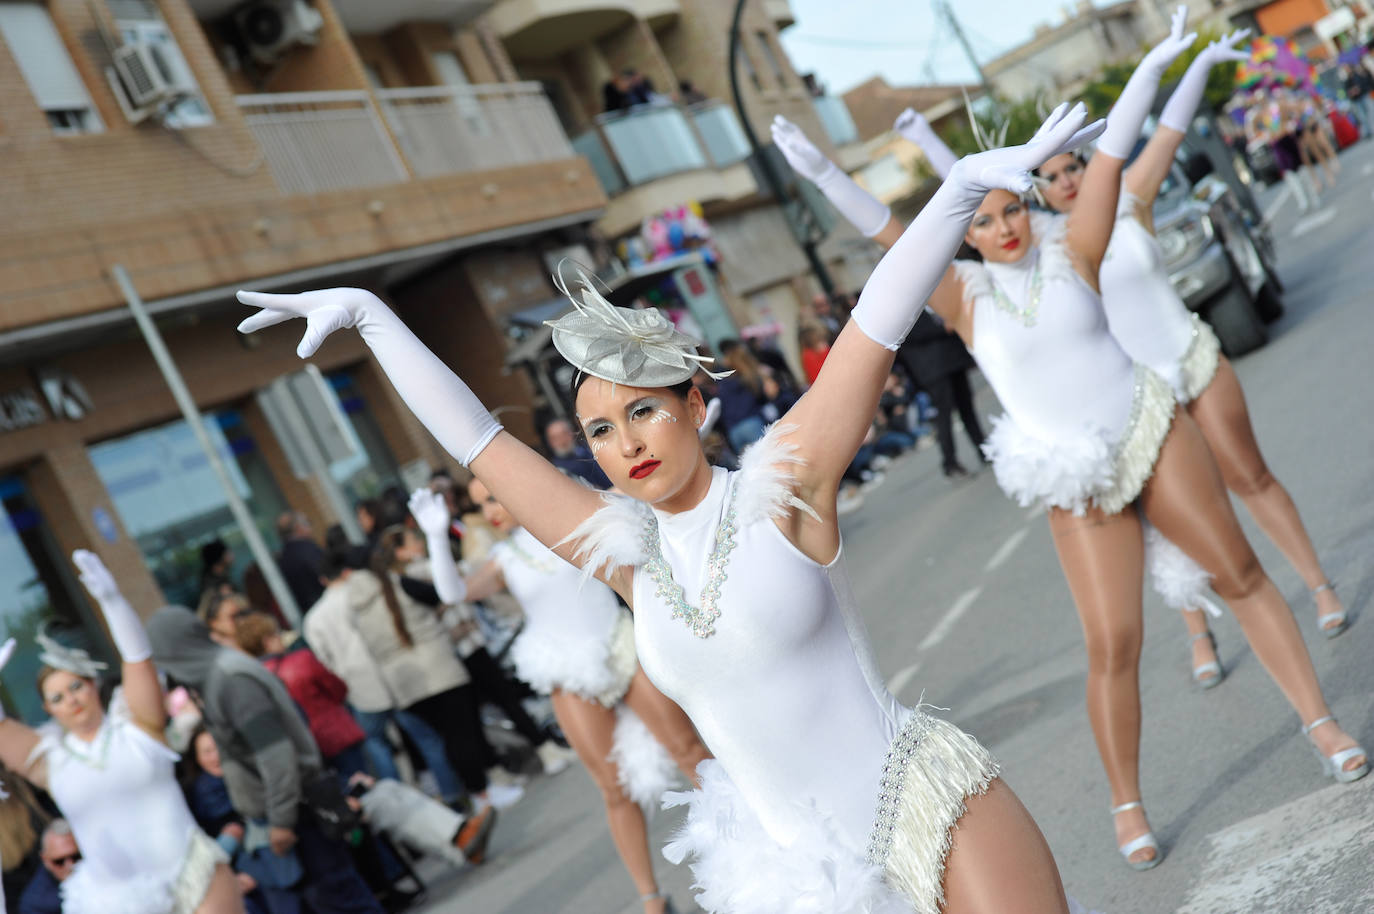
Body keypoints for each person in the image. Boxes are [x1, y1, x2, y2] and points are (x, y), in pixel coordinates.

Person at [236, 99, 1108, 913]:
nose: (628, 444)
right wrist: (372, 318)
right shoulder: (624, 557)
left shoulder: (783, 485)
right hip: (803, 880)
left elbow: (875, 322)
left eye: (644, 409)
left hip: (926, 806)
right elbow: (478, 441)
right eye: (602, 430)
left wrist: (956, 195)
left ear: (695, 403)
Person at [775, 7, 1367, 873]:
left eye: (1016, 210)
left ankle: (1320, 721)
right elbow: (890, 238)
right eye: (986, 218)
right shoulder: (961, 296)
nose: (1007, 226)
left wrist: (1162, 60)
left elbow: (1120, 149)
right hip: (1070, 476)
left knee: (1239, 573)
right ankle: (1126, 797)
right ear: (967, 231)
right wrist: (827, 172)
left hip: (1149, 428)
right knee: (1113, 642)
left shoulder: (1077, 247)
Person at [1025, 33, 1352, 684]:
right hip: (1136, 397)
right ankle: (1199, 632)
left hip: (1190, 360)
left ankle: (1318, 586)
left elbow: (1168, 128)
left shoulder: (1130, 198)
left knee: (1250, 478)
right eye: (1051, 174)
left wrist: (1192, 66)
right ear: (1034, 188)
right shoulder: (1038, 254)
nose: (1067, 181)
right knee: (1170, 526)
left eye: (1074, 166)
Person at [410, 486, 708, 914]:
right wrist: (437, 536)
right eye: (480, 504)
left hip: (620, 645)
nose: (489, 510)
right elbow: (453, 593)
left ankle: (749, 840)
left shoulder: (573, 521)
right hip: (568, 674)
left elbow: (628, 500)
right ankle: (651, 901)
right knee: (614, 789)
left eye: (495, 496)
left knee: (690, 751)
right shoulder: (505, 559)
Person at [0, 552, 242, 914]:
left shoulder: (137, 728)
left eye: (77, 687)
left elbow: (137, 660)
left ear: (94, 685)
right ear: (48, 709)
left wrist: (113, 603)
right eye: (58, 697)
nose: (72, 699)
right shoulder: (49, 760)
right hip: (119, 901)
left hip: (192, 874)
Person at [145, 606, 385, 914]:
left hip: (298, 813)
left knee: (342, 900)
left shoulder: (230, 679)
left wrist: (281, 821)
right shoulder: (220, 675)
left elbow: (276, 755)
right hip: (290, 811)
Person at [302, 548, 479, 811]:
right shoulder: (364, 592)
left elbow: (324, 661)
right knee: (427, 739)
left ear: (323, 580)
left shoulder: (316, 617)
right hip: (392, 677)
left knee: (377, 745)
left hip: (360, 689)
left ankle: (403, 807)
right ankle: (454, 796)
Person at [897, 310, 985, 479]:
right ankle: (950, 463)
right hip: (932, 368)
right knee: (944, 415)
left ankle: (983, 449)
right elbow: (911, 332)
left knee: (967, 407)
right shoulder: (898, 302)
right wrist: (943, 327)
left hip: (952, 358)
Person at [17, 819, 75, 914]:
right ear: (45, 859)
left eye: (76, 857)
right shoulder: (36, 902)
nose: (70, 865)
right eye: (59, 861)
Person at [275, 513, 326, 614]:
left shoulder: (283, 557)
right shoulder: (309, 549)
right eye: (307, 523)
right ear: (298, 528)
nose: (311, 528)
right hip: (324, 604)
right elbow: (324, 573)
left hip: (307, 612)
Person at [545, 418, 611, 489]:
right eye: (556, 438)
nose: (562, 441)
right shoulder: (558, 471)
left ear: (572, 433)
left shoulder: (589, 448)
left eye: (564, 434)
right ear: (550, 443)